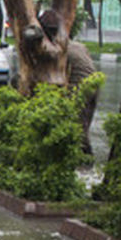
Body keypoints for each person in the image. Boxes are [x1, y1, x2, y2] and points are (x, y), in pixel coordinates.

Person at [38, 9, 100, 155]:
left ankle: (82, 161)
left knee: (73, 126)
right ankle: (86, 163)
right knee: (84, 126)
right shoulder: (78, 46)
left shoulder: (53, 50)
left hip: (79, 86)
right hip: (95, 84)